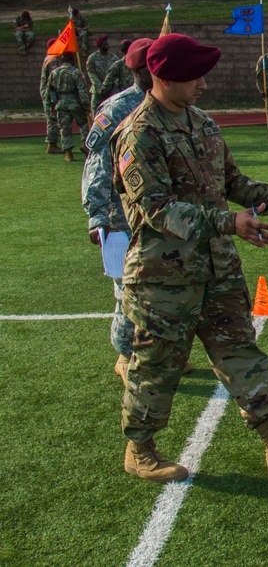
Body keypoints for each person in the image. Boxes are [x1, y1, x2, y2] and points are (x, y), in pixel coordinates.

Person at [109, 33, 268, 483]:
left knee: (241, 352)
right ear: (162, 76)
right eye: (194, 76)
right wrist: (229, 224)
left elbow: (232, 183)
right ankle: (140, 450)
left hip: (217, 268)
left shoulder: (203, 123)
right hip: (164, 277)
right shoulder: (138, 134)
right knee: (155, 365)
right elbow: (158, 210)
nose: (203, 84)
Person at [82, 38, 157, 387]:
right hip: (118, 215)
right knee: (127, 288)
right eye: (147, 68)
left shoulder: (167, 103)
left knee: (158, 285)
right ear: (137, 70)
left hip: (155, 212)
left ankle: (151, 351)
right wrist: (97, 215)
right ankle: (125, 355)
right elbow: (96, 165)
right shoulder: (117, 108)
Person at [45, 52, 90, 162]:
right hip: (76, 104)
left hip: (61, 104)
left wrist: (51, 105)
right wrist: (86, 105)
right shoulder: (76, 72)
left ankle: (69, 154)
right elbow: (82, 90)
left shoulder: (54, 73)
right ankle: (86, 146)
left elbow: (49, 91)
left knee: (65, 129)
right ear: (72, 60)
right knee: (84, 125)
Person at [40, 38, 63, 155]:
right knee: (52, 118)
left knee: (53, 118)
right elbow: (54, 78)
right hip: (50, 94)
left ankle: (53, 143)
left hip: (50, 93)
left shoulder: (50, 58)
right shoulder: (52, 60)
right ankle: (52, 144)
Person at [86, 36, 117, 113]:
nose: (107, 44)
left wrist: (108, 86)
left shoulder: (114, 58)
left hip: (110, 90)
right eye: (104, 43)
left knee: (111, 112)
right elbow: (91, 73)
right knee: (96, 113)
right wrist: (100, 86)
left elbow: (116, 73)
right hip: (97, 91)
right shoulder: (92, 58)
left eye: (107, 43)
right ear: (99, 45)